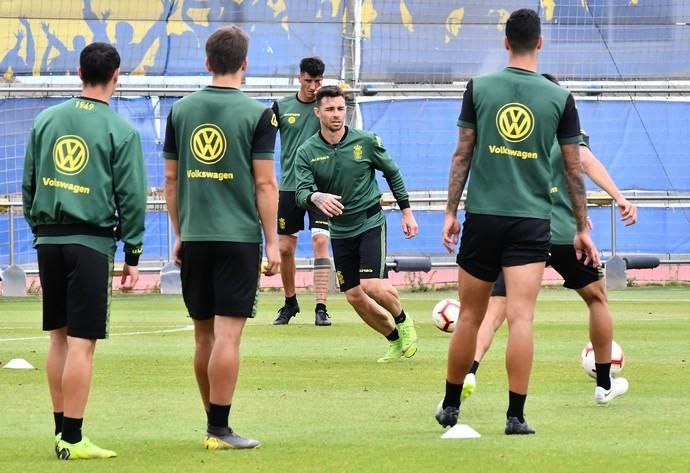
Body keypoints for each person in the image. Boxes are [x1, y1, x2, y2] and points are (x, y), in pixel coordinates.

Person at [436, 8, 600, 435]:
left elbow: (462, 153)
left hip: (484, 217)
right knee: (522, 318)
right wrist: (582, 227)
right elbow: (572, 168)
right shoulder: (559, 99)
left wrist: (452, 212)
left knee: (470, 316)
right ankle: (516, 417)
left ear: (505, 42)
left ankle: (451, 406)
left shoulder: (480, 87)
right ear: (540, 43)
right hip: (531, 221)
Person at [22, 42, 146, 459]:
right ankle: (73, 439)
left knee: (58, 338)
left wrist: (40, 228)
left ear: (78, 72)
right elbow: (131, 196)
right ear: (117, 76)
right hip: (90, 242)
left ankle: (60, 432)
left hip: (49, 239)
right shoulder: (121, 130)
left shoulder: (45, 120)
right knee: (82, 342)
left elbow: (29, 183)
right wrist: (133, 252)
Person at [163, 25, 279, 450]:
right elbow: (265, 185)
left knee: (203, 336)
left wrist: (180, 233)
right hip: (238, 238)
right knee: (228, 336)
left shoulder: (180, 111)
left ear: (207, 62)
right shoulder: (260, 114)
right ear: (245, 64)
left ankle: (212, 422)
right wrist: (272, 242)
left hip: (195, 236)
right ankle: (220, 428)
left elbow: (171, 181)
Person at [462, 124, 636, 406]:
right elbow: (584, 162)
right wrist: (619, 197)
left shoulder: (516, 134)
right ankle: (604, 385)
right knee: (597, 299)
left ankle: (469, 372)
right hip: (563, 234)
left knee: (496, 310)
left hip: (520, 232)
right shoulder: (566, 131)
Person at [295, 85, 419, 363]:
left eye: (341, 108)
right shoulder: (307, 151)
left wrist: (407, 211)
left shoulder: (366, 142)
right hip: (339, 230)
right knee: (353, 295)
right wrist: (316, 196)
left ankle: (404, 321)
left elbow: (393, 173)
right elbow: (300, 193)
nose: (337, 114)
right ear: (318, 113)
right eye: (330, 109)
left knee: (372, 285)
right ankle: (395, 340)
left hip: (370, 222)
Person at [272, 57, 332, 326]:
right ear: (299, 78)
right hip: (288, 187)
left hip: (320, 188)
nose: (313, 86)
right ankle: (290, 302)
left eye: (318, 81)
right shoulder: (281, 107)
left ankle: (321, 306)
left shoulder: (328, 107)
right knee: (285, 248)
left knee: (320, 241)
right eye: (309, 81)